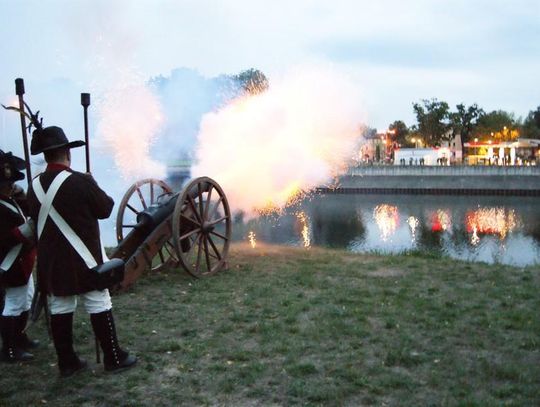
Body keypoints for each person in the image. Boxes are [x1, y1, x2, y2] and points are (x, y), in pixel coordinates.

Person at [27, 126, 136, 377]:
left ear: (46, 156)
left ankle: (67, 362)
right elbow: (105, 208)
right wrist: (91, 182)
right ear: (67, 153)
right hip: (83, 258)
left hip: (52, 261)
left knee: (61, 306)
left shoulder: (34, 186)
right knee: (99, 301)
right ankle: (113, 357)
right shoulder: (79, 181)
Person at [0, 150, 38, 362]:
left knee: (26, 300)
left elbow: (29, 209)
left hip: (23, 260)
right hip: (10, 261)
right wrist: (29, 228)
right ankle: (9, 349)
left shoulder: (11, 199)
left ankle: (20, 337)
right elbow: (6, 238)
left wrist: (22, 195)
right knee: (14, 304)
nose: (9, 184)